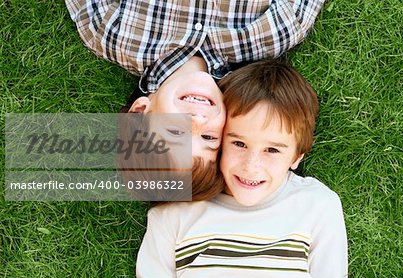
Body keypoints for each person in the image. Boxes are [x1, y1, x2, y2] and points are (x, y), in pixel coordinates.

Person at [136, 60, 348, 278]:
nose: (251, 165)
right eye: (239, 144)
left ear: (296, 157)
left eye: (272, 150)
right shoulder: (174, 213)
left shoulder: (317, 205)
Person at [65, 0, 326, 163]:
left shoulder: (111, 35)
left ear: (141, 111)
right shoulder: (272, 34)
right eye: (210, 137)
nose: (197, 121)